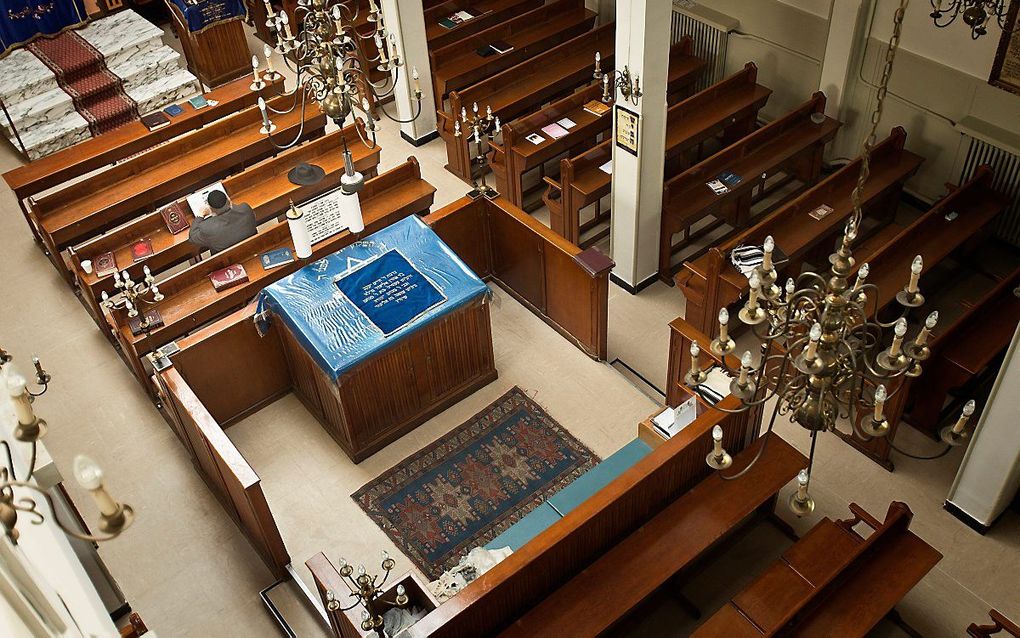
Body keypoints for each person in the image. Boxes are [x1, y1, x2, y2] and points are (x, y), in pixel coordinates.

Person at [188, 190, 257, 254]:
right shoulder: (245, 209)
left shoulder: (208, 228)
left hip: (228, 260)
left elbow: (192, 238)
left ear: (211, 209)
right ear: (229, 201)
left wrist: (200, 215)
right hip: (252, 249)